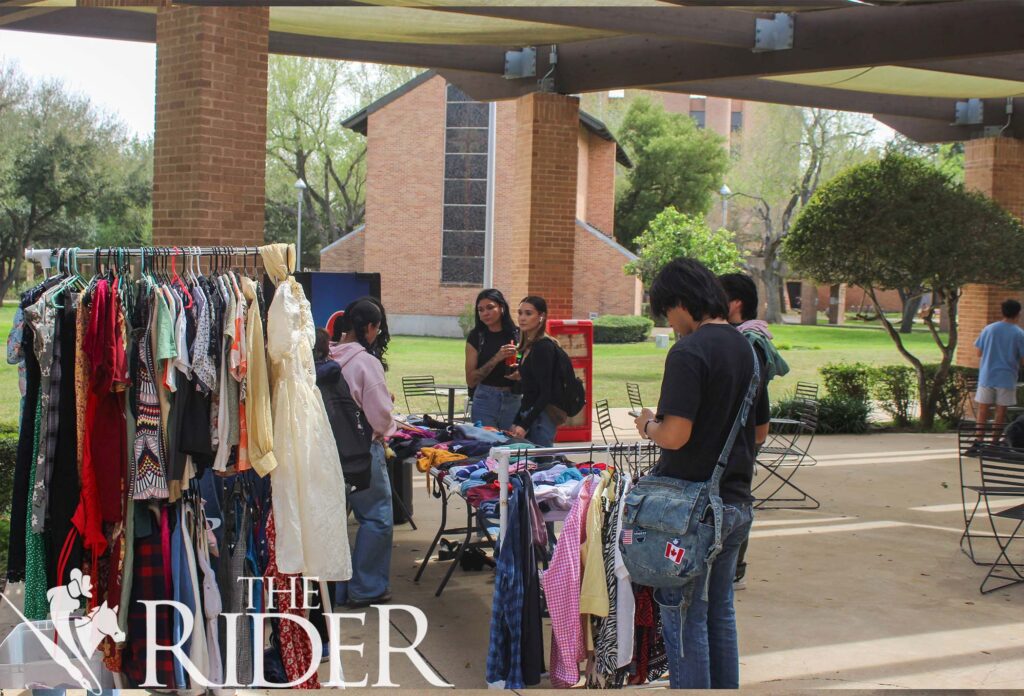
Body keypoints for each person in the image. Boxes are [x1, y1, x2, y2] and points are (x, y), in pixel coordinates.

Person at [632, 258, 769, 689]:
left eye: (666, 313)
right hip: (734, 502)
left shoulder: (689, 351)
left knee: (684, 616)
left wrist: (647, 424)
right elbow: (760, 432)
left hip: (691, 514)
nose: (669, 323)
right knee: (719, 612)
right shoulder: (746, 348)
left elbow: (674, 435)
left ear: (680, 303)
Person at [719, 272, 788, 591]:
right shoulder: (748, 338)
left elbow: (754, 397)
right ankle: (733, 566)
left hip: (741, 435)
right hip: (748, 432)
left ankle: (735, 567)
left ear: (735, 303)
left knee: (735, 498)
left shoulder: (748, 343)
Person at [329, 297, 396, 607]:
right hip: (362, 451)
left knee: (334, 521)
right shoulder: (365, 362)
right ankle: (366, 588)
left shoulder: (326, 354)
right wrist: (387, 428)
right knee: (375, 518)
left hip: (328, 450)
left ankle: (336, 589)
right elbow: (380, 415)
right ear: (370, 328)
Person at [465, 289, 521, 430]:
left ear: (501, 307)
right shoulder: (477, 337)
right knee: (487, 446)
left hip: (513, 398)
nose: (485, 313)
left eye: (490, 307)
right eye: (481, 310)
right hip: (485, 398)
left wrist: (521, 374)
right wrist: (497, 358)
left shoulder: (518, 335)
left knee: (511, 447)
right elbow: (471, 381)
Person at [508, 296, 559, 447]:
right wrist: (518, 420)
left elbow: (546, 392)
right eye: (520, 313)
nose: (522, 318)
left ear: (541, 316)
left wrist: (525, 424)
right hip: (529, 412)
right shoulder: (527, 346)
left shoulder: (543, 347)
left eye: (528, 313)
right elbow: (529, 390)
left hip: (542, 417)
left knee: (543, 463)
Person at [974, 298, 1024, 441]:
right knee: (1000, 411)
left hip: (987, 375)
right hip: (1007, 377)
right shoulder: (1019, 334)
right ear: (1018, 313)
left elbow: (978, 352)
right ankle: (994, 442)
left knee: (982, 410)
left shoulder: (989, 329)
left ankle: (979, 440)